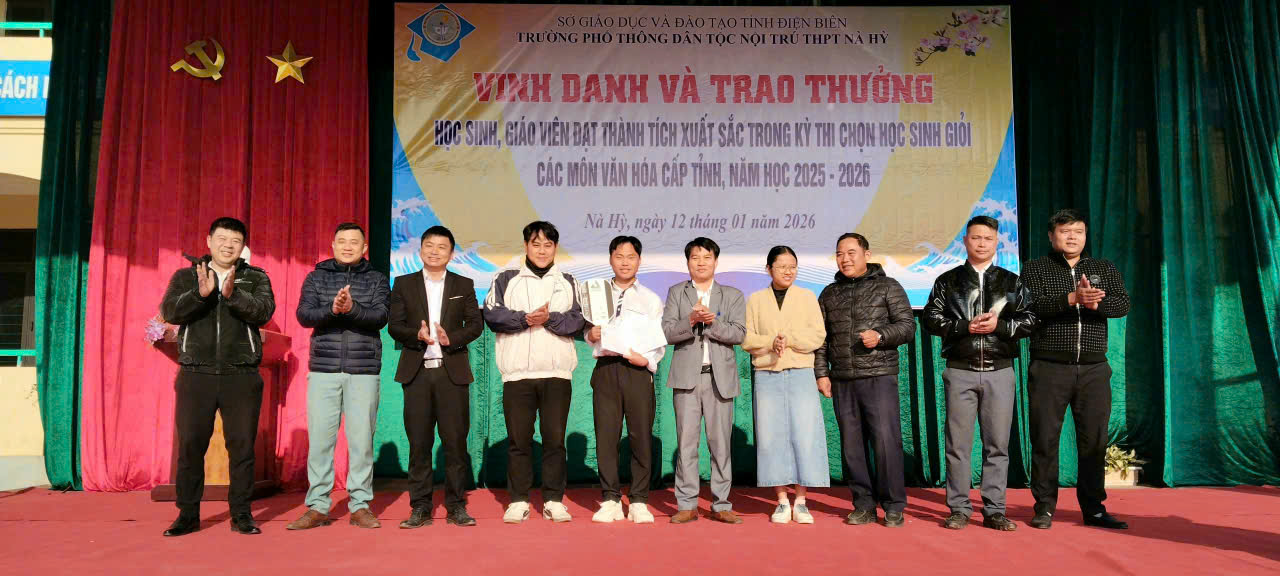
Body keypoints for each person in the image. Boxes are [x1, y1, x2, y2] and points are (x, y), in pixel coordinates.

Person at [159, 217, 276, 537]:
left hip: (241, 374)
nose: (228, 245)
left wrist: (233, 294)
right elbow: (170, 311)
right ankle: (187, 514)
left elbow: (264, 311)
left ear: (243, 247)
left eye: (235, 241)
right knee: (191, 446)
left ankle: (242, 514)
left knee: (242, 447)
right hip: (196, 374)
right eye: (222, 238)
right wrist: (199, 294)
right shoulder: (186, 276)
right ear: (209, 241)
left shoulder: (255, 277)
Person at [922, 215, 1038, 532]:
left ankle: (994, 510)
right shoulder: (947, 281)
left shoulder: (1012, 282)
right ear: (965, 241)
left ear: (997, 242)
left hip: (1000, 372)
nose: (982, 243)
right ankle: (959, 508)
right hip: (960, 371)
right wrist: (965, 327)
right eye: (976, 238)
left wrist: (1000, 326)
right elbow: (930, 319)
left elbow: (1030, 320)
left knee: (997, 445)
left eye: (988, 238)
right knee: (957, 446)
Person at [1023, 209, 1131, 530]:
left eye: (1079, 231)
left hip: (1094, 369)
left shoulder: (1102, 267)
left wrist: (1097, 304)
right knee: (1045, 439)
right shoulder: (1035, 268)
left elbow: (1122, 303)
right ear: (1051, 236)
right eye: (1065, 231)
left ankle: (1094, 509)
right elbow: (1029, 306)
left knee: (1094, 441)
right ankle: (1044, 507)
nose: (1072, 237)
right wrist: (1071, 298)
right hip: (1049, 367)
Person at [288, 222, 389, 530]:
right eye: (342, 241)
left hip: (363, 371)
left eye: (354, 242)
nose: (347, 246)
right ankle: (318, 506)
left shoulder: (377, 279)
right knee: (321, 442)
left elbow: (380, 317)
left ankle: (360, 505)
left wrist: (352, 307)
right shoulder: (316, 277)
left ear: (364, 248)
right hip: (323, 370)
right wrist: (333, 309)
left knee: (361, 443)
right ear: (332, 245)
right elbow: (304, 315)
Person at [483, 221, 585, 523]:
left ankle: (554, 499)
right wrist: (527, 319)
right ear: (526, 246)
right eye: (536, 244)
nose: (542, 250)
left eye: (548, 245)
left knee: (555, 441)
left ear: (555, 248)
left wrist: (548, 319)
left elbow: (578, 320)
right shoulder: (505, 277)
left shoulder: (568, 280)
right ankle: (518, 500)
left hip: (557, 374)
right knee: (519, 442)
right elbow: (492, 314)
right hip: (518, 375)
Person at [814, 233, 915, 527]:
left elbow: (907, 326)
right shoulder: (829, 293)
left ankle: (893, 505)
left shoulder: (888, 286)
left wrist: (881, 336)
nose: (845, 259)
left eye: (851, 253)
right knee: (852, 447)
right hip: (842, 379)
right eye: (839, 254)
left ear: (867, 255)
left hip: (878, 376)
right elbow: (821, 339)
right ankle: (863, 504)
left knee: (885, 442)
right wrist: (822, 373)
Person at [388, 225, 484, 528]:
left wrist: (450, 338)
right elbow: (394, 325)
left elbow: (476, 325)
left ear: (451, 254)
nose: (434, 251)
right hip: (416, 372)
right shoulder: (403, 283)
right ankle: (420, 507)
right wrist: (415, 335)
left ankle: (456, 506)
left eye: (442, 247)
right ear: (420, 250)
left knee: (455, 443)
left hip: (451, 372)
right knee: (419, 443)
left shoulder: (463, 284)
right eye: (429, 245)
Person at [661, 237, 747, 524]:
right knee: (686, 444)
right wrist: (691, 321)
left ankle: (721, 504)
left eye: (706, 257)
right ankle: (686, 504)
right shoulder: (676, 292)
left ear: (716, 261)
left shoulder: (732, 295)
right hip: (687, 377)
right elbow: (667, 333)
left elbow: (739, 334)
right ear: (687, 262)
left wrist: (712, 322)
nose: (701, 262)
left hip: (719, 378)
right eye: (695, 257)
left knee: (720, 444)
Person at [742, 246, 829, 524]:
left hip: (801, 371)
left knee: (805, 433)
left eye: (793, 266)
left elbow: (818, 335)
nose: (788, 271)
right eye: (781, 266)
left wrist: (789, 340)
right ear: (768, 269)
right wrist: (770, 342)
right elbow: (747, 338)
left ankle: (801, 501)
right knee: (771, 436)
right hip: (767, 373)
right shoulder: (755, 300)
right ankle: (781, 500)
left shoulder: (806, 297)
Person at [584, 236, 666, 524]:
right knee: (606, 436)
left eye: (631, 257)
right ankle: (610, 498)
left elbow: (658, 341)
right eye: (619, 256)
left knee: (640, 436)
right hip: (606, 368)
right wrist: (589, 335)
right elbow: (588, 331)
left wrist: (648, 361)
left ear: (639, 261)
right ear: (610, 259)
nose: (625, 262)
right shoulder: (595, 293)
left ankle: (640, 500)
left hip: (637, 371)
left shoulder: (650, 299)